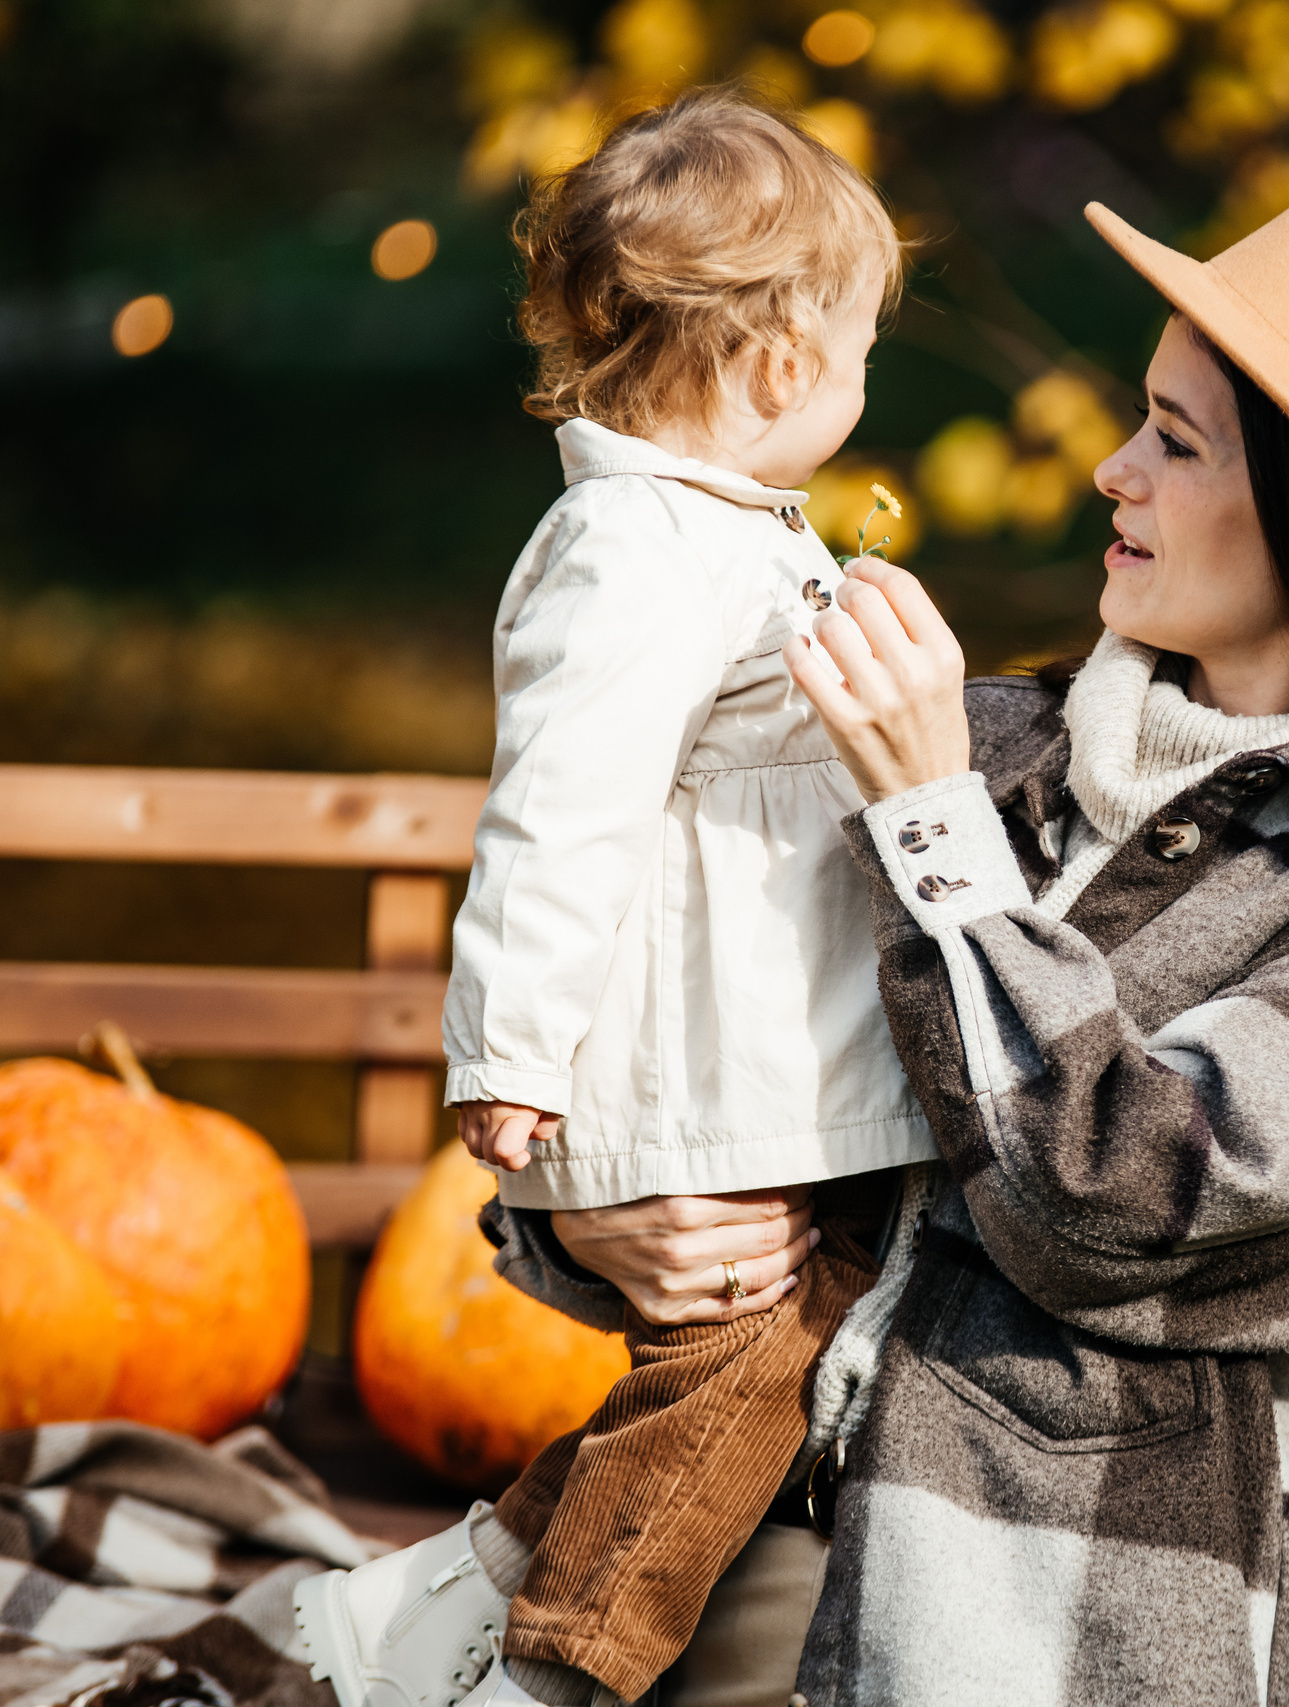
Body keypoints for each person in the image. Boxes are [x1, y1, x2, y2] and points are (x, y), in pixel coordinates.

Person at [495, 159, 1289, 1706]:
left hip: (1078, 1636)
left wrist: (934, 835)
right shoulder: (988, 744)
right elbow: (688, 1009)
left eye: (1174, 444)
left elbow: (1108, 1190)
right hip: (722, 1551)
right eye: (1140, 421)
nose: (1113, 473)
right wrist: (587, 1226)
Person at [291, 88, 939, 1707]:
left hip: (773, 1086)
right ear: (786, 364)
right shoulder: (638, 551)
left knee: (733, 1387)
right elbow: (557, 817)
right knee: (736, 1382)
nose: (861, 383)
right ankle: (550, 1676)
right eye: (860, 348)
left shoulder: (728, 539)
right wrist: (507, 1050)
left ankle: (444, 1600)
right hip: (701, 1089)